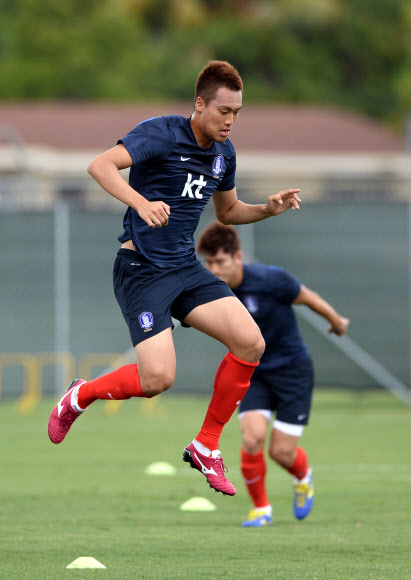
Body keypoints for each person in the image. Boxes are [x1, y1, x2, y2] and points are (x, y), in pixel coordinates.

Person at [48, 60, 302, 497]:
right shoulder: (162, 132)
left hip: (185, 268)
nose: (230, 120)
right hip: (142, 269)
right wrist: (141, 202)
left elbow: (227, 211)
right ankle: (80, 395)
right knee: (157, 380)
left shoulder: (225, 153)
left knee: (251, 342)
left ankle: (206, 445)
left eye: (237, 113)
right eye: (223, 111)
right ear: (200, 104)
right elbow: (100, 166)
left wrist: (267, 209)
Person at [197, 221, 349, 521]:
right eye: (209, 262)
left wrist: (336, 320)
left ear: (238, 257)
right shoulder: (210, 292)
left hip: (293, 371)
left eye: (220, 262)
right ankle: (261, 508)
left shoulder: (270, 279)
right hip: (253, 374)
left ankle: (303, 477)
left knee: (281, 453)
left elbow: (308, 297)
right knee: (252, 437)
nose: (214, 269)